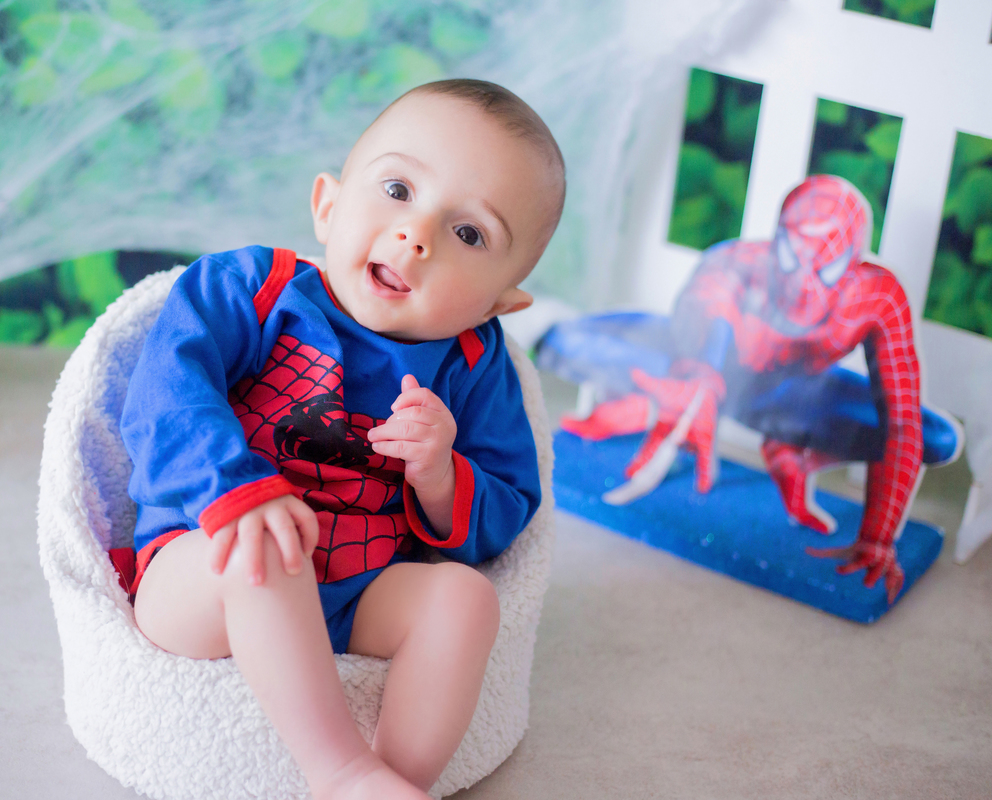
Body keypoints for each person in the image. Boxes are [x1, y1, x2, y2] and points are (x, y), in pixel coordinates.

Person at [119, 79, 565, 800]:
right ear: (327, 205)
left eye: (469, 233)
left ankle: (396, 782)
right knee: (267, 553)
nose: (417, 233)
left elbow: (510, 506)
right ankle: (342, 773)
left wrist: (442, 475)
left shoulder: (475, 364)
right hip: (207, 571)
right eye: (397, 189)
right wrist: (237, 492)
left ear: (497, 303)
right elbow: (164, 396)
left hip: (358, 590)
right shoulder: (252, 290)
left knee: (465, 601)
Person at [556, 175, 951, 604]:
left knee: (937, 438)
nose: (804, 282)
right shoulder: (734, 262)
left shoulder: (878, 295)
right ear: (776, 240)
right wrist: (693, 383)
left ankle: (790, 451)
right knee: (568, 340)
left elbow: (903, 420)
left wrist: (877, 538)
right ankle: (657, 404)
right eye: (792, 257)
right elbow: (705, 321)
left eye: (827, 268)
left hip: (793, 401)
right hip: (698, 371)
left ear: (853, 259)